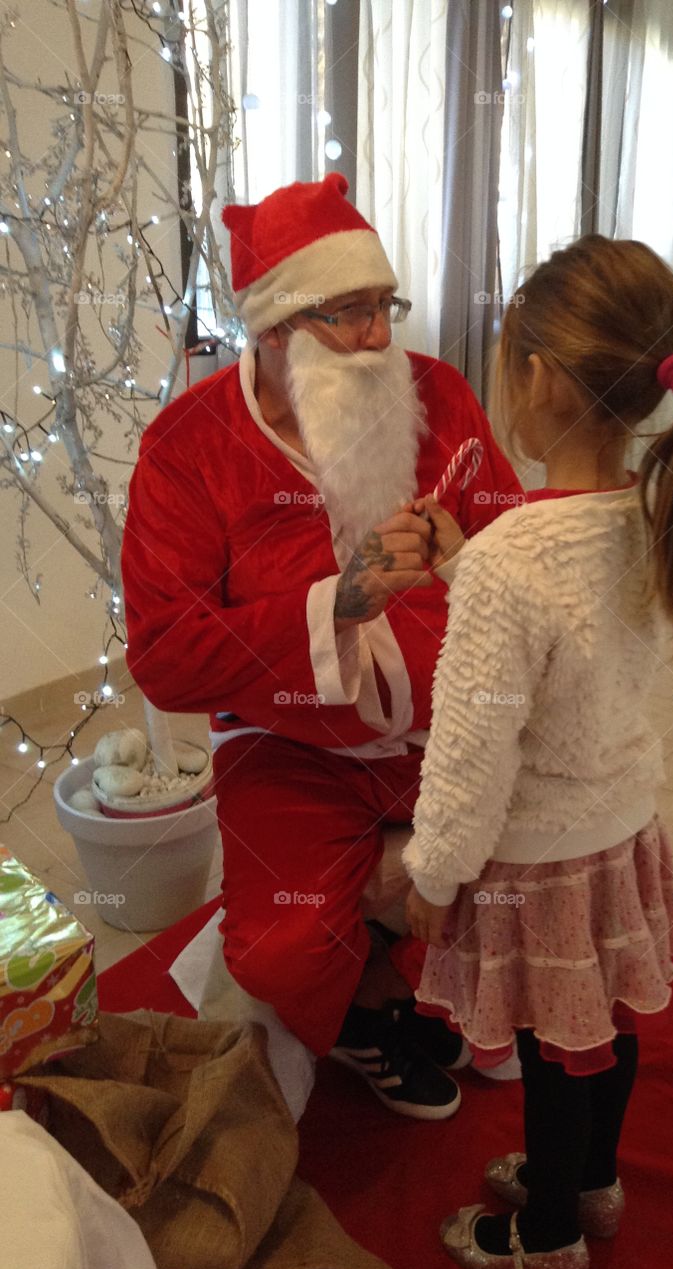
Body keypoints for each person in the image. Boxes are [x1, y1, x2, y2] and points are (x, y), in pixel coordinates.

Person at [121, 174, 525, 1122]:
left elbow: (513, 558)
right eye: (346, 315)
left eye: (385, 306)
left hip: (451, 726)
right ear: (271, 330)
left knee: (536, 873)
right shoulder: (188, 448)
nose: (380, 339)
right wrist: (333, 606)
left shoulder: (440, 396)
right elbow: (166, 655)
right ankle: (368, 1001)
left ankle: (420, 955)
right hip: (290, 747)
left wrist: (468, 556)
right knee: (280, 950)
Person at [401, 234, 673, 1269]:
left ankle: (542, 1233)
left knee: (552, 1044)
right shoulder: (650, 509)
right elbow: (572, 651)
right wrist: (468, 569)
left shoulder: (513, 561)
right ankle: (593, 1180)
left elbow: (470, 754)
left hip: (535, 857)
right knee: (609, 1015)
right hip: (622, 829)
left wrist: (431, 872)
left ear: (537, 375)